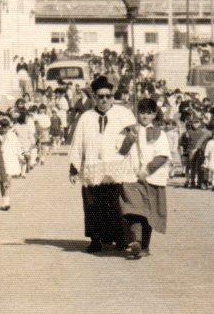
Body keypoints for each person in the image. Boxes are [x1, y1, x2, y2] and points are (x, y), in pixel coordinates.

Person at [68, 75, 137, 253]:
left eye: (108, 96)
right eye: (100, 96)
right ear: (94, 98)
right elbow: (77, 142)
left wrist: (124, 151)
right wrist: (74, 167)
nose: (104, 99)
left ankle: (121, 239)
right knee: (92, 205)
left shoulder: (123, 114)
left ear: (112, 96)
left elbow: (134, 135)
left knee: (115, 205)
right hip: (92, 167)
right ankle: (96, 239)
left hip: (116, 167)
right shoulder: (86, 118)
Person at [119, 98, 171, 259]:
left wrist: (147, 170)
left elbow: (162, 155)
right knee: (133, 209)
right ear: (137, 113)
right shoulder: (129, 130)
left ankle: (144, 246)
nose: (145, 116)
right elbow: (121, 151)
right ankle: (136, 241)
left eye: (149, 113)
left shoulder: (158, 134)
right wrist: (129, 139)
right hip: (131, 177)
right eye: (142, 112)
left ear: (154, 114)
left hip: (150, 178)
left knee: (148, 213)